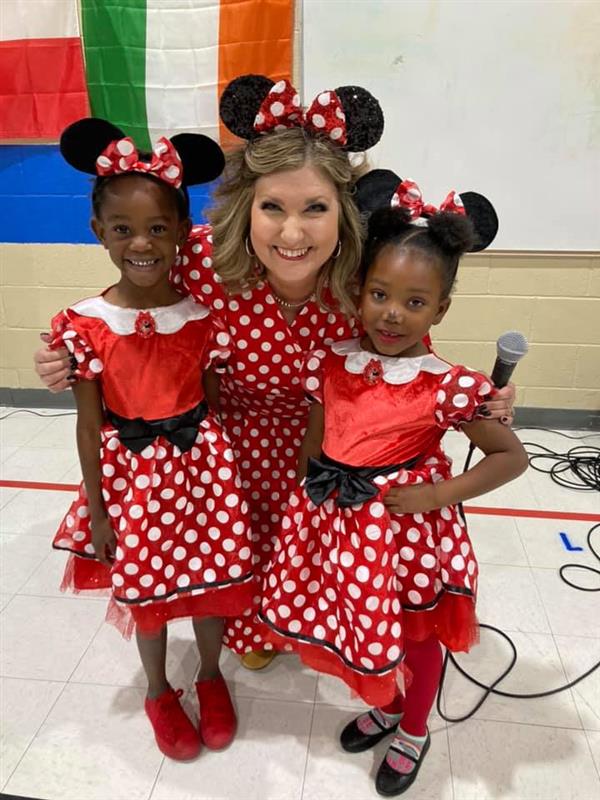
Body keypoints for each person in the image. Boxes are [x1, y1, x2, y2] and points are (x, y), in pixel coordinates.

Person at [33, 75, 516, 673]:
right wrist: (64, 354)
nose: (292, 233)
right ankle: (245, 629)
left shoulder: (366, 284)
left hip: (318, 450)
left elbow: (411, 364)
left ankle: (296, 626)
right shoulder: (199, 260)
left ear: (345, 213)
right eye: (272, 208)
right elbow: (128, 296)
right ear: (246, 207)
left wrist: (484, 401)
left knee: (304, 555)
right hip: (222, 448)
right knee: (238, 546)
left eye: (315, 208)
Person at [259, 192, 528, 797]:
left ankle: (412, 727)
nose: (391, 315)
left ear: (441, 308)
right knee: (363, 621)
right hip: (340, 525)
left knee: (415, 631)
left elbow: (512, 458)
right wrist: (312, 506)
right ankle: (385, 701)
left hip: (405, 535)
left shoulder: (448, 385)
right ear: (359, 291)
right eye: (380, 295)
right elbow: (315, 440)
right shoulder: (328, 362)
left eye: (415, 302)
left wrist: (439, 495)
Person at [49, 118, 253, 760]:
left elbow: (213, 410)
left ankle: (212, 674)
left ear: (181, 235)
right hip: (133, 483)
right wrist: (100, 510)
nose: (141, 243)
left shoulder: (201, 318)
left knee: (212, 585)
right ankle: (159, 689)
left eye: (158, 229)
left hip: (203, 476)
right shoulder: (85, 323)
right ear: (98, 233)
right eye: (123, 230)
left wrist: (226, 486)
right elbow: (89, 424)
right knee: (149, 593)